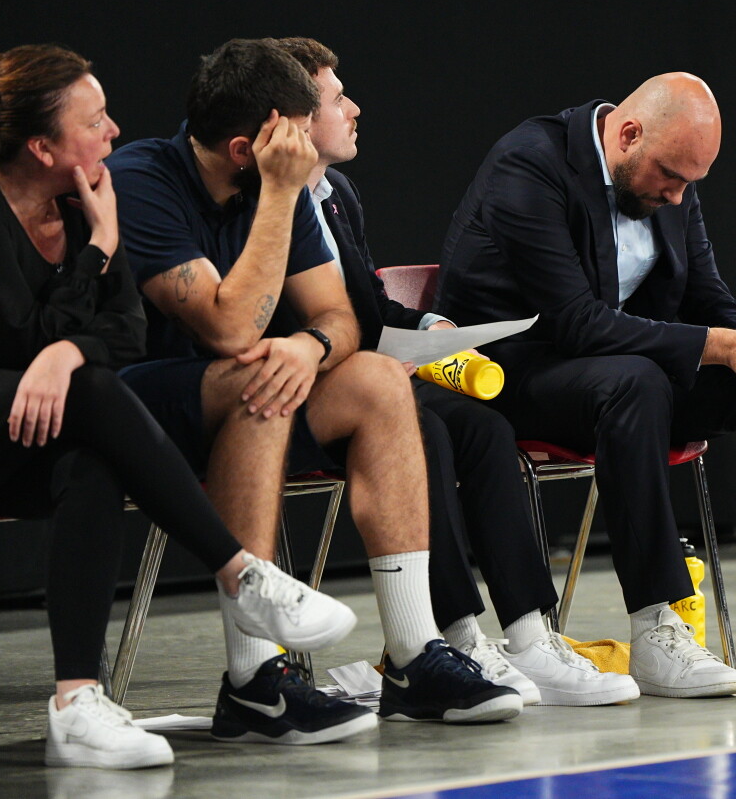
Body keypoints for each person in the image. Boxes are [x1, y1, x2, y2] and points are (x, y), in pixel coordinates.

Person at [0, 45, 360, 769]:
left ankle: (76, 703)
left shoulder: (87, 199)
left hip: (34, 422)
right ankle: (241, 572)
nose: (114, 131)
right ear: (41, 144)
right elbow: (18, 340)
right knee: (88, 390)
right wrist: (100, 256)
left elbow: (125, 332)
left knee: (92, 457)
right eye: (95, 122)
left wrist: (75, 324)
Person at [108, 39, 521, 734]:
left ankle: (415, 653)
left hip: (241, 384)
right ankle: (255, 676)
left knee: (374, 377)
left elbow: (340, 318)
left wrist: (311, 346)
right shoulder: (144, 178)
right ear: (251, 146)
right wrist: (277, 193)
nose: (308, 145)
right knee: (257, 373)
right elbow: (229, 326)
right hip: (135, 400)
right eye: (298, 130)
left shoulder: (283, 185)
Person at [437, 73, 736, 698]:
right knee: (638, 382)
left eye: (690, 183)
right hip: (512, 372)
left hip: (617, 373)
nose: (678, 197)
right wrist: (720, 347)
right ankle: (656, 625)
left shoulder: (669, 180)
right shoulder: (529, 163)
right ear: (627, 135)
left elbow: (706, 291)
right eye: (671, 178)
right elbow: (574, 322)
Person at [271, 37, 639, 707]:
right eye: (335, 98)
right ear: (294, 119)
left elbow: (371, 304)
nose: (354, 108)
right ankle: (453, 634)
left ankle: (529, 633)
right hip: (304, 392)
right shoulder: (265, 203)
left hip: (368, 377)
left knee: (483, 428)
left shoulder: (338, 195)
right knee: (429, 433)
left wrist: (430, 329)